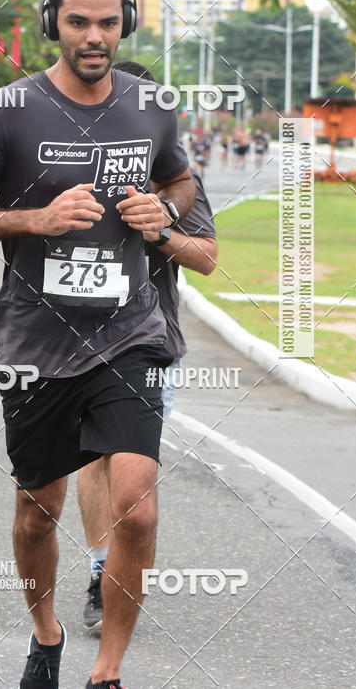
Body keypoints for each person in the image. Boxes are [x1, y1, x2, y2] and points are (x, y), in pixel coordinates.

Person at [0, 0, 196, 689]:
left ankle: (107, 671)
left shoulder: (152, 103)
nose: (94, 36)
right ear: (54, 23)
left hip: (129, 332)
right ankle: (46, 633)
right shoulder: (6, 109)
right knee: (34, 513)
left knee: (136, 510)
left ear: (127, 24)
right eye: (78, 21)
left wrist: (166, 211)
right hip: (37, 344)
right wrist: (35, 218)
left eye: (108, 22)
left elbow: (180, 176)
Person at [78, 62, 218, 635]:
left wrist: (158, 229)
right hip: (76, 342)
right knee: (93, 459)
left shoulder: (177, 179)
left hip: (152, 341)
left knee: (133, 479)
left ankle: (118, 562)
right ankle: (98, 571)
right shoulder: (67, 165)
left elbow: (207, 258)